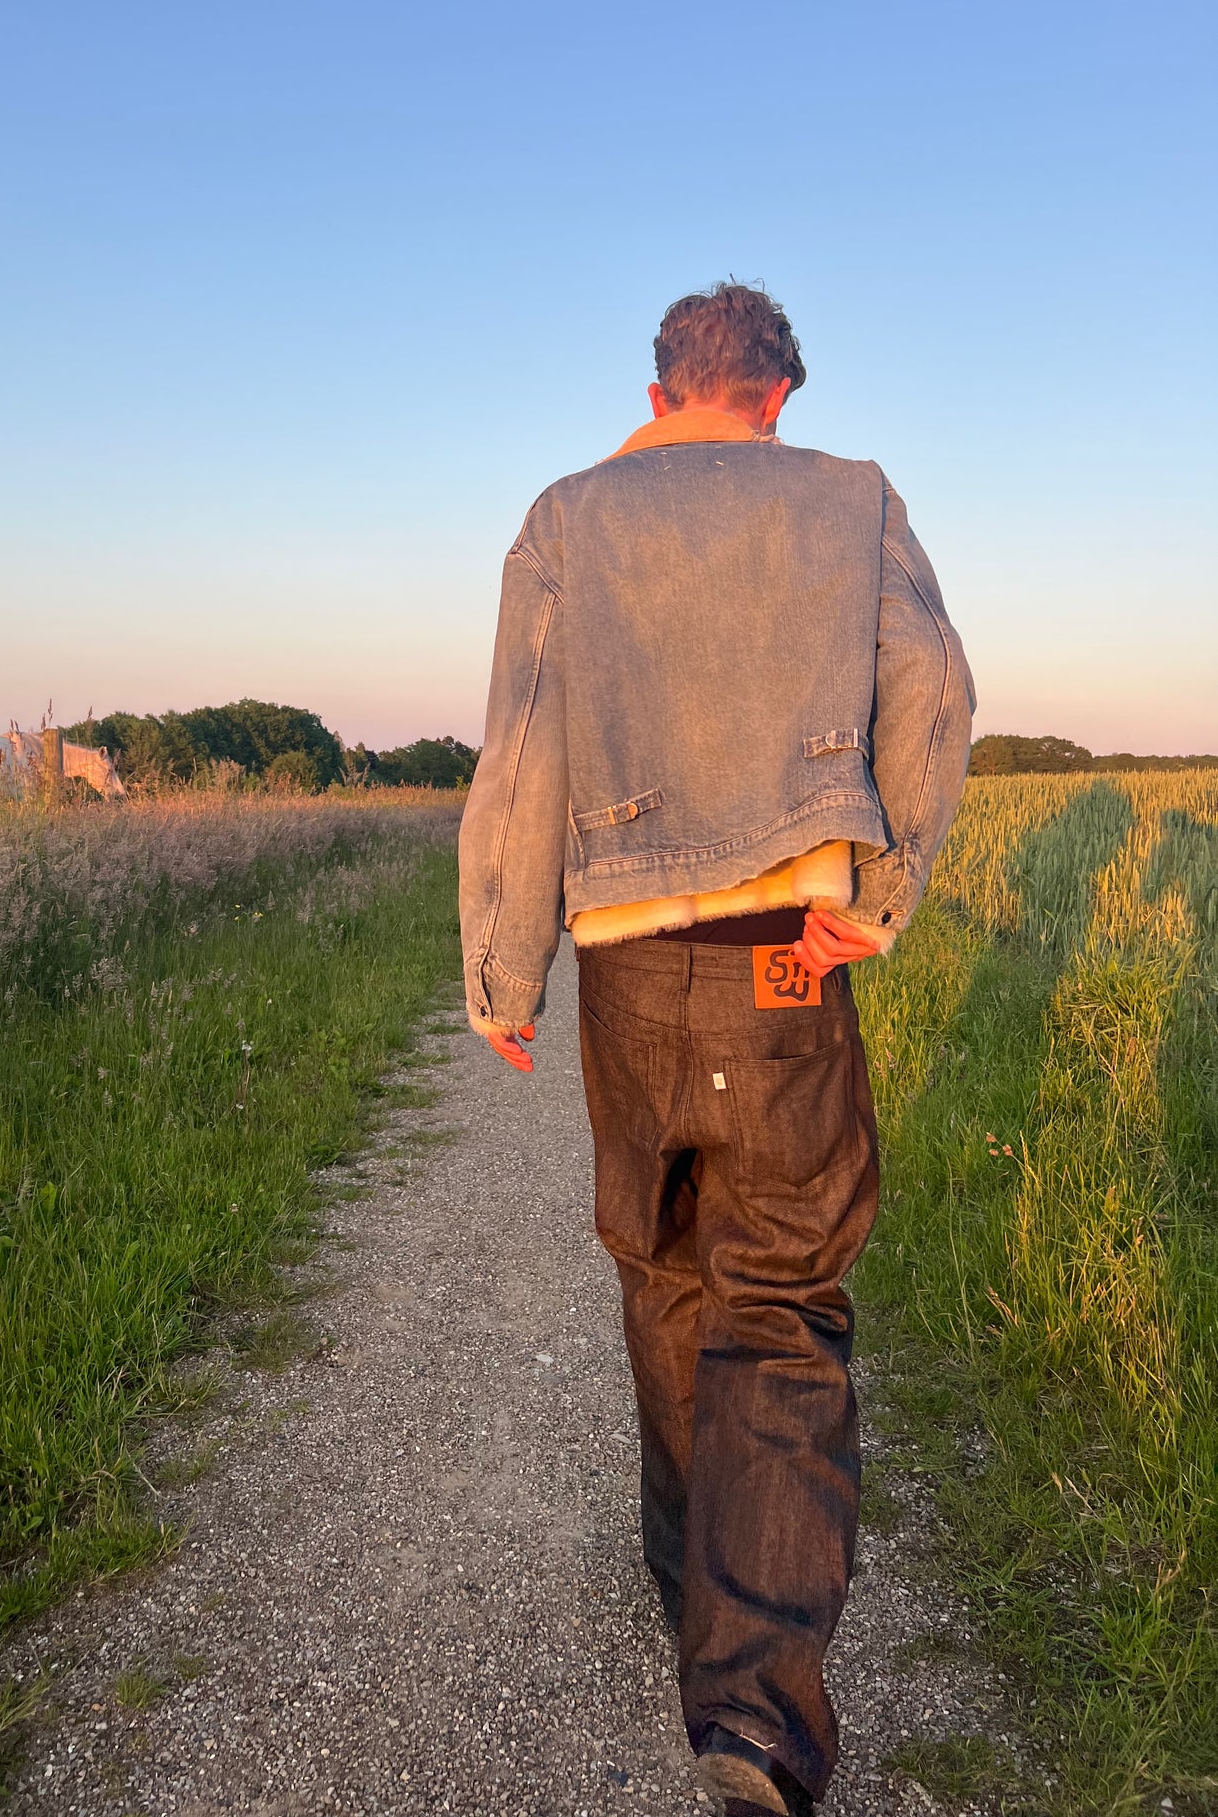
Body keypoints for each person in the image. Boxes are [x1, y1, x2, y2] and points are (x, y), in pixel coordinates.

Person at [457, 282, 974, 1817]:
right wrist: (877, 895)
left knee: (662, 1260)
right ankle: (750, 1711)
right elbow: (933, 687)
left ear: (659, 387)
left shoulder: (568, 515)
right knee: (780, 1295)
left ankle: (686, 1563)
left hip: (625, 964)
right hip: (782, 957)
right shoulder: (849, 498)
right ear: (778, 393)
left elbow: (523, 745)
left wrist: (503, 969)